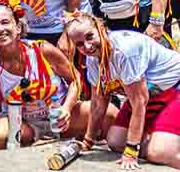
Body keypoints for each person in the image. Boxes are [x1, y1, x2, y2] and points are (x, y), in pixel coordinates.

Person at [0, 0, 114, 150]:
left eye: (5, 22)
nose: (0, 29)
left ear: (18, 26)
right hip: (25, 126)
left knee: (110, 113)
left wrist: (67, 109)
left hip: (59, 117)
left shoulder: (42, 49)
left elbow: (75, 80)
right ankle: (30, 147)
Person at [65, 12, 180, 170]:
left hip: (174, 90)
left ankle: (163, 147)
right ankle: (160, 139)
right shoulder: (92, 59)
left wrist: (132, 150)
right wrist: (88, 140)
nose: (87, 46)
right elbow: (98, 103)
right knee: (115, 141)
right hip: (150, 95)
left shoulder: (124, 51)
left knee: (158, 153)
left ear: (102, 29)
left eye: (90, 36)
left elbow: (139, 103)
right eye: (79, 44)